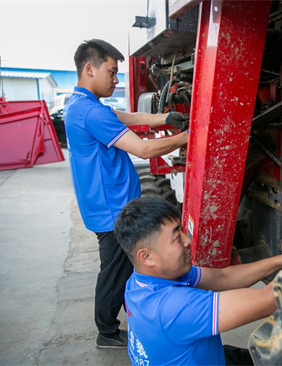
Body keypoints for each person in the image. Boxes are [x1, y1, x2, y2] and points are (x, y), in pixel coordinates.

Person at [114, 196, 282, 366]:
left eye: (181, 229)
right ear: (146, 256)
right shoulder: (171, 308)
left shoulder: (141, 282)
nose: (188, 240)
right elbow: (271, 300)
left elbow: (222, 277)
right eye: (176, 238)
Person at [64, 39, 189, 349]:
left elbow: (125, 117)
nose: (116, 79)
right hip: (112, 209)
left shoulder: (82, 104)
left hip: (109, 204)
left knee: (120, 268)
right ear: (90, 69)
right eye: (112, 72)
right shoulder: (90, 112)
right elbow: (143, 149)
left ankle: (119, 322)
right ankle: (106, 330)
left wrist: (164, 119)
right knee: (116, 271)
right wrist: (189, 135)